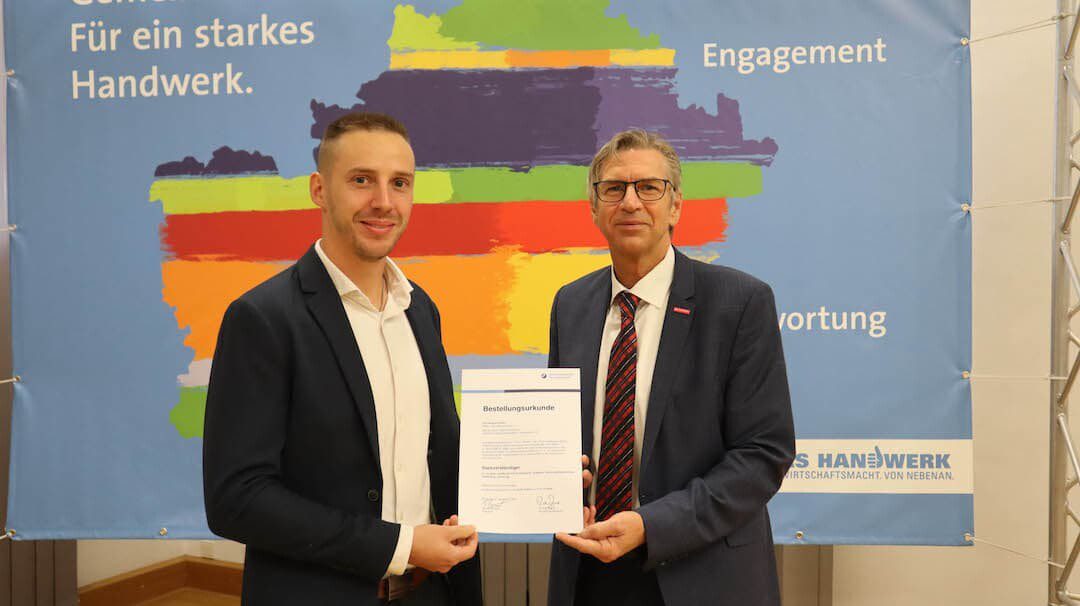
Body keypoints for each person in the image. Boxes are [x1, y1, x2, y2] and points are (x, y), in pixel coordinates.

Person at [202, 112, 482, 605]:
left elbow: (437, 456)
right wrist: (398, 546)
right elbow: (236, 499)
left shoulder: (420, 309)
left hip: (432, 593)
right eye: (361, 180)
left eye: (400, 183)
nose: (384, 202)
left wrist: (541, 475)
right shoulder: (263, 318)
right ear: (319, 189)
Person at [547, 129, 795, 606]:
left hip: (701, 575)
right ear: (594, 207)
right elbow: (561, 435)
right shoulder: (570, 304)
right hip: (588, 572)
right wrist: (554, 474)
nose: (630, 202)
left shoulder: (739, 303)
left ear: (676, 205)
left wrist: (651, 525)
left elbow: (764, 453)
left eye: (649, 187)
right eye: (613, 189)